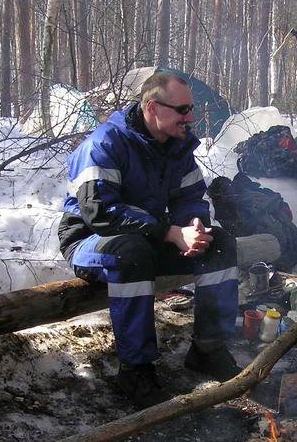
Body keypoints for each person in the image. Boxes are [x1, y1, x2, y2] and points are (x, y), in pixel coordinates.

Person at [57, 71, 240, 407]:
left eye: (191, 108)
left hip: (149, 237)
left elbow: (190, 197)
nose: (190, 117)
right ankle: (135, 369)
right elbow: (100, 212)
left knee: (221, 244)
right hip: (90, 240)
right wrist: (170, 232)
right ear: (154, 108)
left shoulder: (176, 146)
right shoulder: (103, 144)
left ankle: (208, 347)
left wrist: (194, 226)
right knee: (132, 253)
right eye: (182, 109)